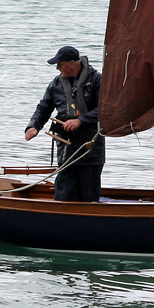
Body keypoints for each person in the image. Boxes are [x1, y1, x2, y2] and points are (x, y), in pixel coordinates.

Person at [25, 45, 104, 202]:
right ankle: (61, 222)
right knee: (64, 193)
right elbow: (43, 108)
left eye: (60, 65)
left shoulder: (97, 80)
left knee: (88, 195)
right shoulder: (56, 84)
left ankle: (88, 224)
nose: (57, 69)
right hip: (65, 147)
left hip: (90, 148)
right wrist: (33, 126)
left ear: (72, 63)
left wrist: (80, 120)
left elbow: (104, 109)